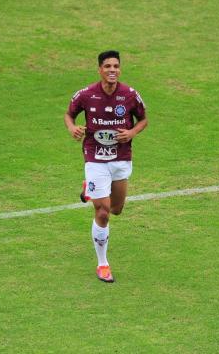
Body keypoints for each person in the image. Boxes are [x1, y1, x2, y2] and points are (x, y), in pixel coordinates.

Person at [64, 50, 148, 283]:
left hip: (121, 159)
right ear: (100, 70)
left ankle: (88, 190)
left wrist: (131, 132)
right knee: (102, 211)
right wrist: (72, 128)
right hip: (95, 158)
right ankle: (103, 264)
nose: (113, 70)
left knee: (116, 209)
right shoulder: (86, 95)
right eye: (108, 66)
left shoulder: (130, 95)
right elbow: (69, 115)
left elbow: (143, 119)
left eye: (116, 66)